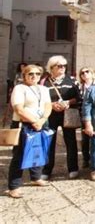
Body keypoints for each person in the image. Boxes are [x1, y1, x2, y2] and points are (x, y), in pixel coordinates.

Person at [6, 65, 52, 198]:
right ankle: (14, 186)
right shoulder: (19, 88)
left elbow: (47, 105)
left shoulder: (43, 89)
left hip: (40, 123)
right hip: (23, 124)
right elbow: (19, 109)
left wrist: (42, 120)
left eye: (38, 74)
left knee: (37, 150)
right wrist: (34, 121)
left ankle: (36, 177)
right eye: (30, 74)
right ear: (24, 75)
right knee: (19, 155)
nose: (34, 76)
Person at [42, 55, 80, 180]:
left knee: (71, 142)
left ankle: (73, 168)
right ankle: (47, 170)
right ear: (51, 68)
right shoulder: (44, 82)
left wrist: (68, 102)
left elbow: (78, 98)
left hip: (67, 115)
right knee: (49, 142)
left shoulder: (72, 80)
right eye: (59, 66)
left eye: (64, 66)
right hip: (50, 115)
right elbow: (40, 99)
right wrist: (51, 105)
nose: (62, 68)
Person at [78, 67, 95, 168]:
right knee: (85, 138)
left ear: (92, 73)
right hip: (84, 116)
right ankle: (86, 159)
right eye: (82, 73)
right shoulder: (80, 87)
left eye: (87, 71)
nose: (85, 74)